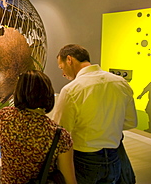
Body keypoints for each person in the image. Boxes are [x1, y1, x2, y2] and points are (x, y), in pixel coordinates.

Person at [0, 70, 77, 184]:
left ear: (19, 92)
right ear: (48, 94)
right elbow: (69, 179)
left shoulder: (4, 116)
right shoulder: (60, 135)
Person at [53, 44, 138, 184]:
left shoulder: (71, 90)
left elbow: (61, 131)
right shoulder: (121, 83)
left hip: (83, 160)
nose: (62, 73)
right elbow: (131, 122)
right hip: (114, 157)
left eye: (61, 67)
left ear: (69, 59)